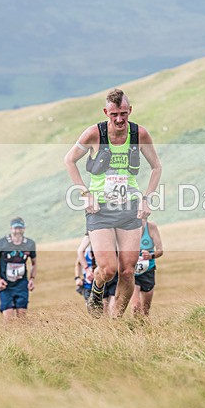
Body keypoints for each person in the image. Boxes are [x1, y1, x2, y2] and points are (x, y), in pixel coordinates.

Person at [64, 88, 162, 317]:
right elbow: (69, 160)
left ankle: (115, 321)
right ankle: (96, 292)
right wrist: (85, 193)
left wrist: (146, 198)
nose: (119, 119)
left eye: (124, 114)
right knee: (108, 269)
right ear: (106, 112)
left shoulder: (139, 134)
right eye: (114, 114)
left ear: (130, 111)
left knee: (128, 271)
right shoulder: (93, 134)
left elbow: (157, 167)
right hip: (100, 209)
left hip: (130, 206)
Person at [0, 217, 38, 321]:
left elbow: (34, 262)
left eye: (20, 228)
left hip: (22, 284)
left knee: (22, 318)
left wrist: (32, 278)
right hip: (6, 285)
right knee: (8, 318)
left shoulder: (29, 244)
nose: (18, 231)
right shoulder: (2, 243)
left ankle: (23, 337)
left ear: (24, 228)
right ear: (11, 229)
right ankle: (9, 337)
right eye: (15, 228)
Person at [130, 219, 164, 317]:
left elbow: (160, 250)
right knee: (136, 306)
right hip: (132, 272)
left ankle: (145, 329)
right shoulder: (127, 226)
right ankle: (134, 330)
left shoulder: (151, 227)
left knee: (145, 310)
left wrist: (150, 255)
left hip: (148, 270)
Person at [75, 233, 95, 302]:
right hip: (87, 285)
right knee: (91, 307)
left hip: (101, 284)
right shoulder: (85, 251)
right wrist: (77, 278)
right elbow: (78, 264)